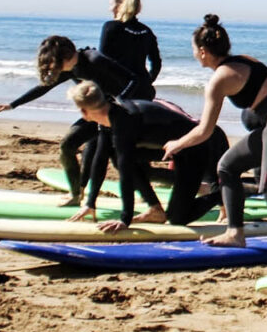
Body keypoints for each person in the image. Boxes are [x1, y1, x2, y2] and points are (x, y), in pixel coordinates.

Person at [161, 15, 267, 246]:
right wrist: (257, 111)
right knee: (259, 166)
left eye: (194, 49)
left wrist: (177, 144)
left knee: (226, 167)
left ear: (202, 51)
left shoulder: (218, 79)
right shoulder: (245, 60)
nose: (194, 54)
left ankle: (235, 233)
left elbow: (205, 131)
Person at [0, 36, 151, 209]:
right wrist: (13, 104)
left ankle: (154, 190)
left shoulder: (94, 60)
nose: (54, 68)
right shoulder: (69, 67)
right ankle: (76, 194)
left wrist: (118, 103)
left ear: (66, 56)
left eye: (55, 63)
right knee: (68, 145)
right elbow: (45, 86)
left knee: (116, 159)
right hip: (98, 112)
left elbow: (133, 80)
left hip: (123, 111)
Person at [64, 83, 229, 233]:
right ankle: (155, 209)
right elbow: (100, 158)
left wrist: (124, 219)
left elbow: (126, 172)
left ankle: (226, 192)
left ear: (84, 112)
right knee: (115, 153)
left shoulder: (123, 122)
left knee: (177, 218)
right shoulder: (110, 116)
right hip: (170, 149)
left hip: (195, 149)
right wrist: (90, 203)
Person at [100, 0, 161, 92]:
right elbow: (156, 63)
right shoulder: (146, 31)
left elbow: (102, 60)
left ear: (120, 5)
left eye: (111, 4)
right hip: (142, 88)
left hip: (118, 87)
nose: (109, 9)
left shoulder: (111, 27)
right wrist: (148, 81)